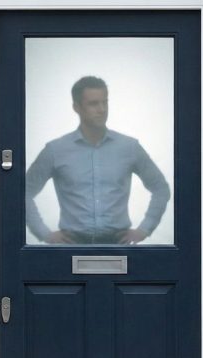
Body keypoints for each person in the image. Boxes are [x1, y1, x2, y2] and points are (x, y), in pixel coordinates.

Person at [24, 76, 171, 244]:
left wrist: (144, 229)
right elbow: (23, 192)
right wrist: (44, 233)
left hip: (117, 246)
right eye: (93, 104)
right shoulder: (55, 150)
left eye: (105, 102)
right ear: (76, 107)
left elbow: (160, 188)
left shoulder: (129, 147)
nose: (102, 109)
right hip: (72, 246)